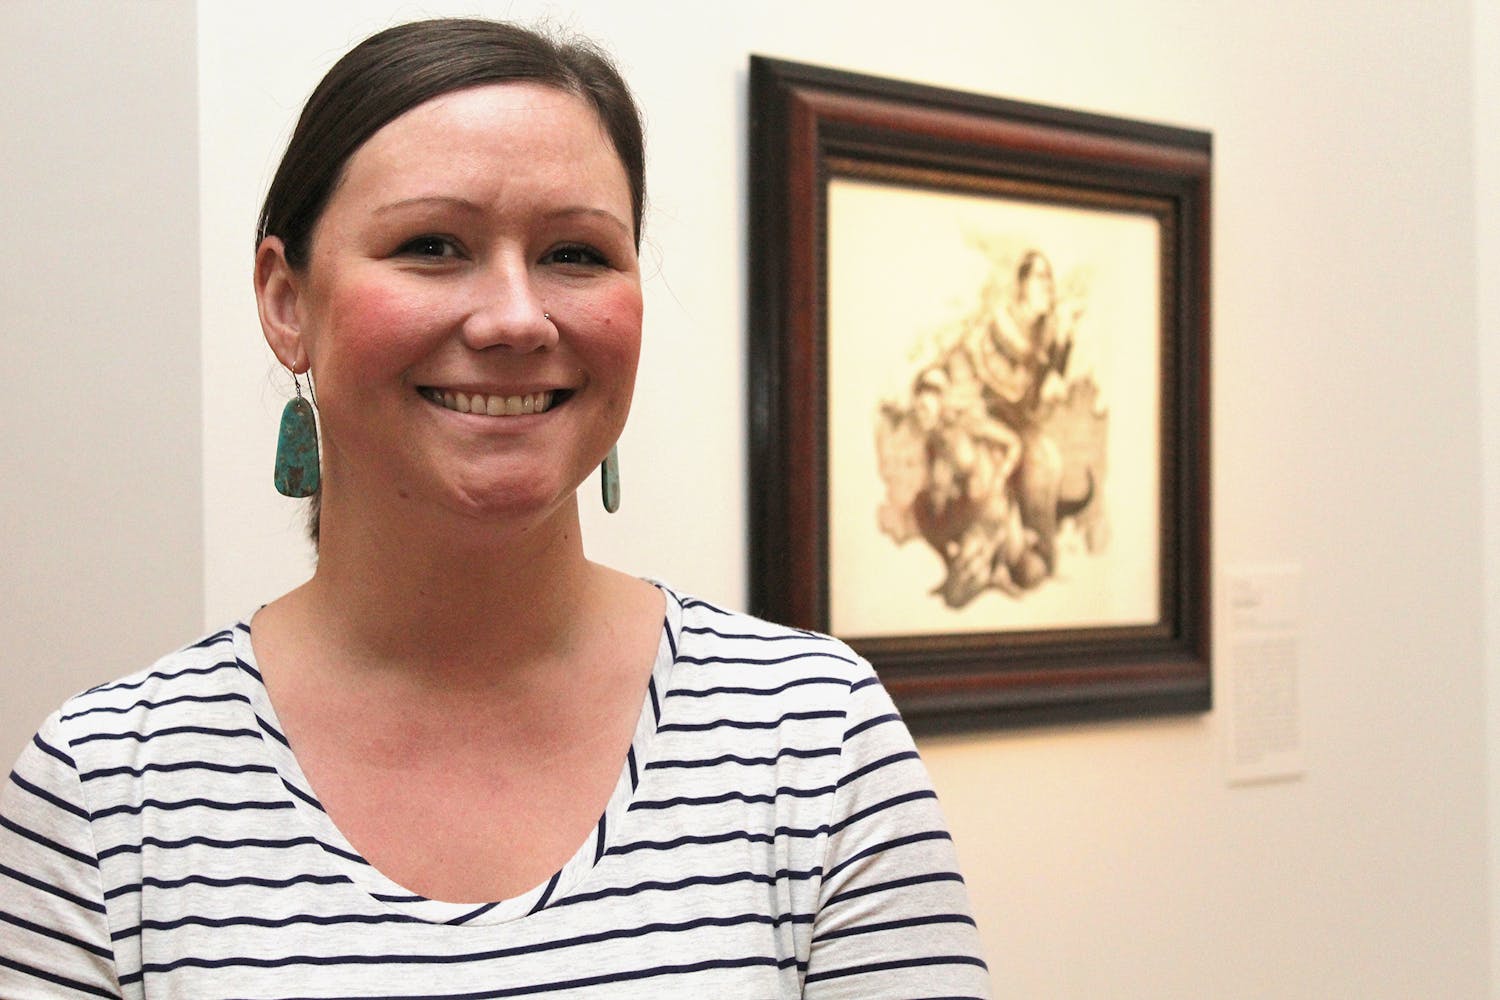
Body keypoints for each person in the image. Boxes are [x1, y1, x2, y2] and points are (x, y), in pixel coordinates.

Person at [0, 18, 991, 998]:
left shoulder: (813, 737)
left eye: (576, 254)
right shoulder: (106, 789)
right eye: (432, 244)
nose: (517, 318)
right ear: (286, 301)